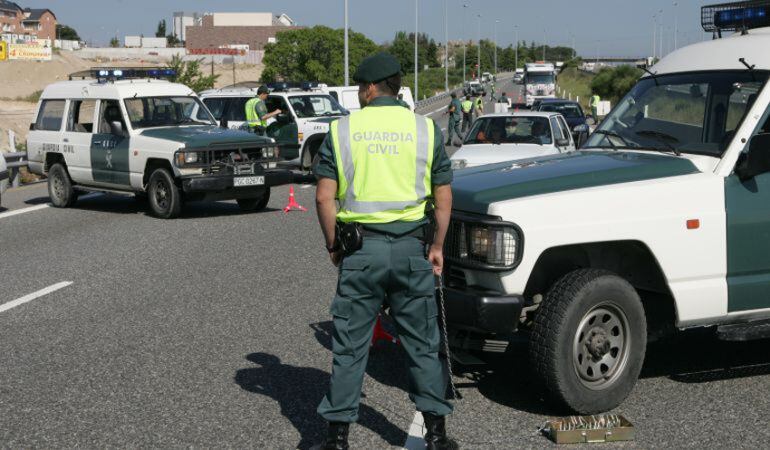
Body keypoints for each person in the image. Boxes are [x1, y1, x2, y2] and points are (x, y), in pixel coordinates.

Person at [312, 51, 457, 450]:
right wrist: (438, 246)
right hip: (412, 251)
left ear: (371, 88)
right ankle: (438, 436)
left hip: (362, 252)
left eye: (361, 87)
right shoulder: (425, 130)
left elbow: (325, 199)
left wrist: (334, 247)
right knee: (422, 345)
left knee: (350, 347)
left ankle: (337, 438)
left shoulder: (342, 130)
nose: (359, 94)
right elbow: (444, 198)